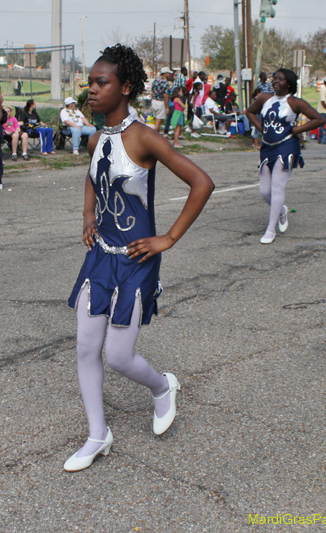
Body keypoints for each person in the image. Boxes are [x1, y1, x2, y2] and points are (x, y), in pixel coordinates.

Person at [65, 43, 214, 472]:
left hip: (137, 258)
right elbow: (94, 175)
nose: (91, 90)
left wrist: (168, 238)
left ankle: (162, 387)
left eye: (101, 82)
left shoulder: (145, 136)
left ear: (125, 87)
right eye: (90, 82)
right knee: (85, 348)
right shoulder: (97, 137)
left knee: (119, 357)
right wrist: (88, 213)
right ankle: (98, 435)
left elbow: (201, 182)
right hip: (100, 257)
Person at [246, 69, 324, 244]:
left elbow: (318, 119)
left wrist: (297, 130)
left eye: (280, 79)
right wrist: (262, 130)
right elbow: (249, 112)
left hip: (287, 146)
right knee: (265, 191)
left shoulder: (295, 102)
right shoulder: (265, 98)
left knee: (277, 187)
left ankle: (270, 229)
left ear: (288, 83)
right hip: (267, 147)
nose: (275, 82)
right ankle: (281, 210)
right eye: (274, 79)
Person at [150, 67, 173, 133]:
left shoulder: (155, 81)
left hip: (154, 101)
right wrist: (167, 107)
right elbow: (165, 95)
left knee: (155, 121)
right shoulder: (164, 82)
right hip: (160, 102)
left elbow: (152, 92)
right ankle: (155, 138)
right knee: (158, 122)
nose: (169, 74)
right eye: (168, 73)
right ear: (165, 73)